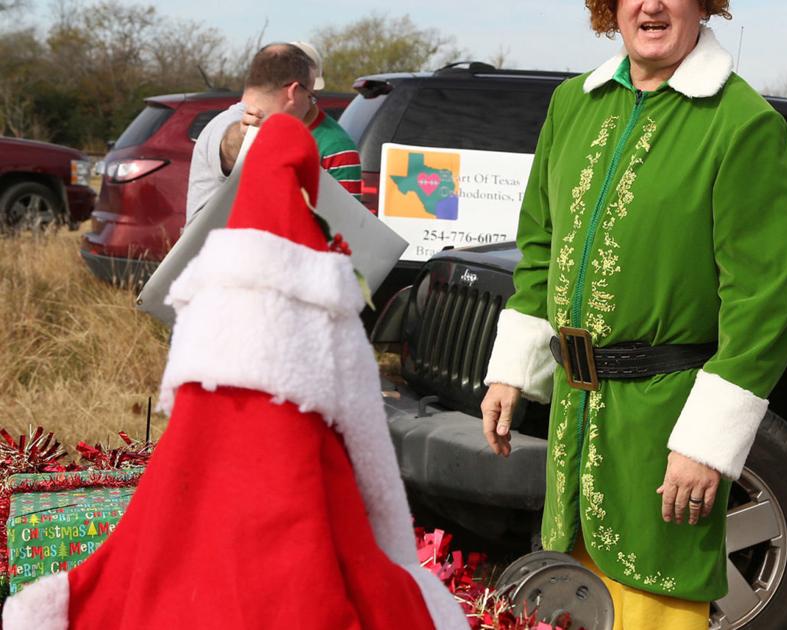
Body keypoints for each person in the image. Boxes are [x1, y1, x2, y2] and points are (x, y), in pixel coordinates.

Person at [3, 115, 467, 630]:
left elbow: (181, 434)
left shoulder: (207, 295)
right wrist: (399, 559)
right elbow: (370, 445)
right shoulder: (325, 293)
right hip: (302, 530)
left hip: (197, 520)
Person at [479, 1, 787, 628]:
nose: (651, 5)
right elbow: (541, 246)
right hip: (576, 414)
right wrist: (512, 370)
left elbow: (766, 302)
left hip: (668, 422)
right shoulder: (573, 104)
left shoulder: (742, 122)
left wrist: (706, 444)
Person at [186, 41, 361, 223]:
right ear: (294, 92)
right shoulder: (228, 123)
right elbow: (229, 147)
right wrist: (244, 135)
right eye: (310, 97)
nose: (310, 105)